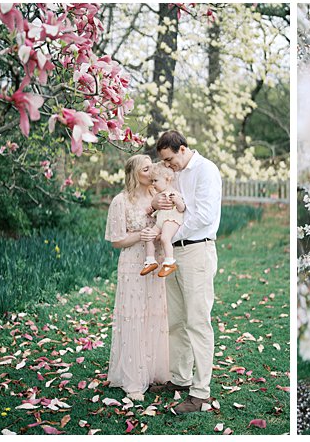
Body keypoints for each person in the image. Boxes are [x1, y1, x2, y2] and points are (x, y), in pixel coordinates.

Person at [147, 130, 222, 414]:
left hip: (196, 251)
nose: (168, 165)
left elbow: (204, 216)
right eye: (164, 161)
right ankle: (180, 379)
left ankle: (200, 393)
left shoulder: (206, 170)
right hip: (173, 253)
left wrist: (170, 231)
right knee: (176, 320)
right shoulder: (173, 173)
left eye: (170, 159)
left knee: (197, 322)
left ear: (182, 149)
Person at [104, 154, 171, 402]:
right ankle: (133, 378)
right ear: (134, 173)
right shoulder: (120, 201)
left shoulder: (158, 195)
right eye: (145, 169)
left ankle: (156, 371)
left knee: (156, 313)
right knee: (134, 315)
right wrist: (141, 235)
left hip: (157, 261)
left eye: (152, 167)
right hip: (133, 263)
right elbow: (116, 240)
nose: (151, 171)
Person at [140, 162, 185, 278]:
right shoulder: (158, 196)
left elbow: (182, 209)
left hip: (171, 220)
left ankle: (169, 262)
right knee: (149, 236)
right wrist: (152, 209)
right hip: (160, 221)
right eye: (152, 181)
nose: (153, 184)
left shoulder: (174, 194)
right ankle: (151, 261)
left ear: (167, 179)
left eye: (155, 180)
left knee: (165, 238)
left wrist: (177, 202)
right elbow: (158, 210)